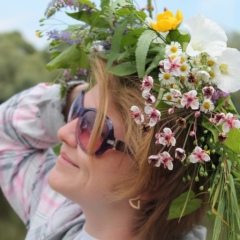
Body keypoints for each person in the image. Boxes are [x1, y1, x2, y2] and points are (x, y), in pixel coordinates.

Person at [1, 1, 240, 240]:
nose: (63, 131)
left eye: (92, 128)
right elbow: (6, 134)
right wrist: (79, 97)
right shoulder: (57, 213)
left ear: (151, 181)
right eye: (74, 111)